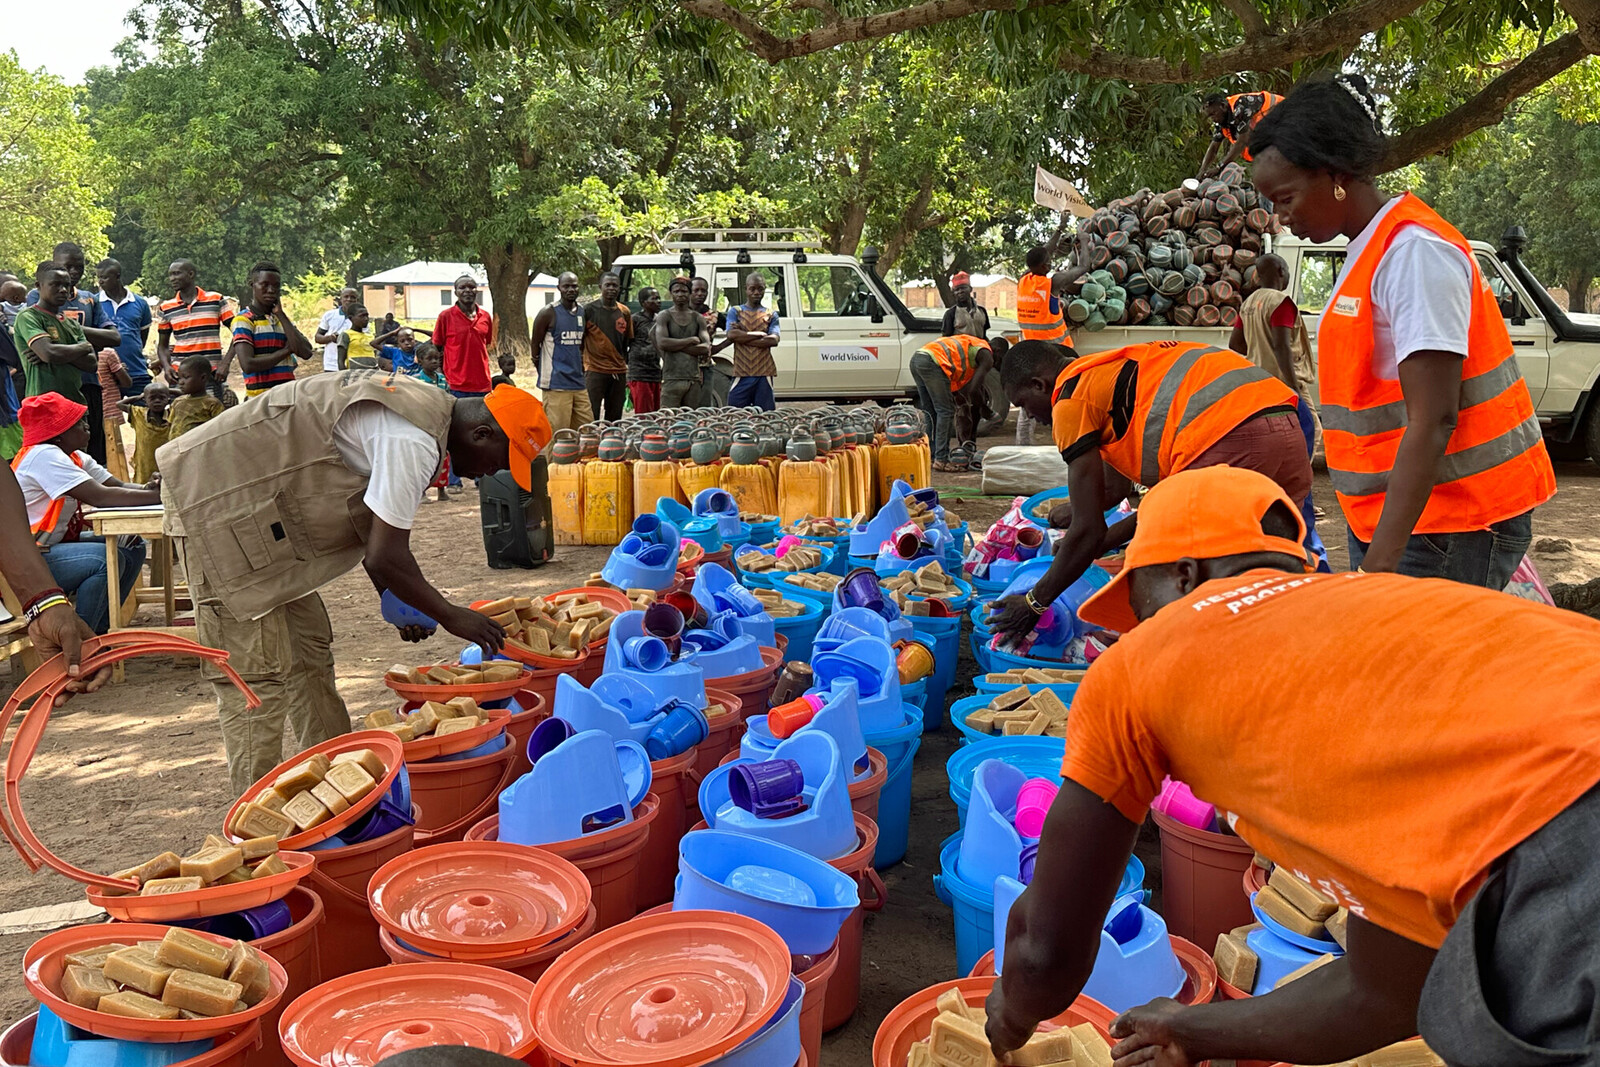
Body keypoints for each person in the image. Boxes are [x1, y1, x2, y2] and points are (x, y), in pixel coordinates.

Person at [985, 464, 1600, 1067]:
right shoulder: (1385, 632)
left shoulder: (1145, 657)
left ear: (1183, 575)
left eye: (1138, 603)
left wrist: (1009, 1015)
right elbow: (1382, 993)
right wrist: (1192, 1031)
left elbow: (1046, 954)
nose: (1136, 630)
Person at [156, 369, 552, 793]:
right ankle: (255, 833)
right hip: (214, 509)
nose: (486, 475)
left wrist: (398, 600)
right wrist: (453, 616)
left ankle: (338, 790)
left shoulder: (425, 412)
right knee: (257, 679)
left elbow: (375, 533)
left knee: (309, 654)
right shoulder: (413, 440)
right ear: (481, 434)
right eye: (498, 462)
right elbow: (386, 555)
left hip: (263, 521)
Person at [1251, 73, 1555, 586]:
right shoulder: (1367, 251)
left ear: (1335, 174)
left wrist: (1378, 567)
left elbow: (1434, 418)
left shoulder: (1413, 254)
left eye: (1285, 199)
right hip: (1406, 520)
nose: (1280, 219)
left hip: (1449, 524)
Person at [990, 338, 1310, 642]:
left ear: (1039, 385)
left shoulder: (1069, 400)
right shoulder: (1104, 374)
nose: (1029, 416)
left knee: (1205, 571)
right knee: (1275, 560)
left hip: (1229, 431)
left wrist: (1034, 602)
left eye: (1024, 405)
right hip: (1283, 420)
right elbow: (1117, 491)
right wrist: (1092, 531)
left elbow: (1090, 530)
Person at [10, 393, 159, 634]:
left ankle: (102, 628)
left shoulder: (74, 457)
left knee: (131, 544)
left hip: (51, 546)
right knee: (103, 560)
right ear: (59, 433)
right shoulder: (43, 456)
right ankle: (84, 638)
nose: (87, 426)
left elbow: (117, 487)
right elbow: (100, 497)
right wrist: (159, 496)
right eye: (79, 422)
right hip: (28, 560)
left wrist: (149, 489)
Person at [16, 262, 122, 413]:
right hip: (43, 404)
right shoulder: (28, 317)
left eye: (66, 285)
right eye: (56, 284)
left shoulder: (71, 324)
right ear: (39, 286)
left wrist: (57, 350)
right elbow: (49, 353)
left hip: (75, 404)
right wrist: (83, 347)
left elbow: (91, 363)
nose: (63, 290)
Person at [911, 334, 1001, 470]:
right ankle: (941, 459)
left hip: (917, 359)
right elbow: (973, 389)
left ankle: (931, 456)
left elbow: (959, 383)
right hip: (933, 362)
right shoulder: (986, 355)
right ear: (998, 351)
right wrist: (986, 411)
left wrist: (959, 396)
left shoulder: (972, 343)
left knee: (931, 413)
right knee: (945, 411)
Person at [155, 260, 235, 406]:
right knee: (182, 418)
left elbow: (240, 333)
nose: (172, 278)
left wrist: (225, 363)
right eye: (170, 275)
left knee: (212, 419)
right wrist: (167, 367)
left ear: (191, 274)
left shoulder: (216, 300)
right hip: (180, 376)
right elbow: (162, 346)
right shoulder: (166, 307)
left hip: (211, 374)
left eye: (177, 273)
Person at [229, 262, 313, 397]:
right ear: (252, 285)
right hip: (260, 400)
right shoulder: (244, 320)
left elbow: (307, 352)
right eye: (265, 284)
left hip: (288, 396)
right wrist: (286, 351)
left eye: (276, 286)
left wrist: (281, 315)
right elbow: (248, 365)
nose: (271, 290)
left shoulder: (282, 320)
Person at [531, 272, 591, 431]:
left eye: (574, 286)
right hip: (556, 384)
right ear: (559, 288)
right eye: (566, 286)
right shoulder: (548, 312)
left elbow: (581, 344)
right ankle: (554, 458)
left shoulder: (582, 312)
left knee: (586, 431)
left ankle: (580, 458)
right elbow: (535, 345)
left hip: (578, 382)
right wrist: (545, 372)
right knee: (558, 434)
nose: (571, 289)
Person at [94, 258, 154, 397]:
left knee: (143, 412)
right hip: (105, 375)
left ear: (118, 276)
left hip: (136, 371)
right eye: (99, 278)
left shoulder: (140, 303)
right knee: (107, 417)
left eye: (105, 277)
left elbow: (142, 337)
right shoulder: (94, 302)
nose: (101, 281)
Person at [1198, 89, 1285, 178]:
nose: (1212, 118)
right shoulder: (1222, 120)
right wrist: (1202, 170)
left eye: (1213, 114)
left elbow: (1243, 141)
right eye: (1209, 116)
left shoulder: (1241, 106)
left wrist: (1219, 167)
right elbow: (1214, 147)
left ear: (1223, 106)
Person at [724, 273, 780, 411]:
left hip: (764, 371)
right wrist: (759, 334)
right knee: (735, 413)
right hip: (742, 371)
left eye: (760, 289)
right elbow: (731, 335)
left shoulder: (771, 314)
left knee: (765, 416)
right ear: (746, 289)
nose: (756, 292)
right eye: (752, 289)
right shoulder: (736, 311)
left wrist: (743, 335)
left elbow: (773, 340)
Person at [581, 271, 633, 421]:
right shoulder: (588, 310)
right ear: (600, 287)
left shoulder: (624, 312)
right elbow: (581, 340)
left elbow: (626, 341)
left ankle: (612, 443)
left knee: (615, 416)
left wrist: (623, 364)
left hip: (618, 371)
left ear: (620, 288)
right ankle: (592, 444)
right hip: (595, 370)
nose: (611, 288)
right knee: (592, 414)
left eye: (615, 285)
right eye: (608, 285)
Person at [432, 275, 494, 397]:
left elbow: (486, 345)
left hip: (482, 384)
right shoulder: (445, 316)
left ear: (477, 291)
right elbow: (437, 347)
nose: (467, 290)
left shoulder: (485, 316)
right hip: (455, 384)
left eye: (472, 287)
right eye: (462, 287)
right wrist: (441, 375)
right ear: (456, 292)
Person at [655, 276, 709, 409]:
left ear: (690, 293)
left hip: (693, 379)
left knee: (690, 420)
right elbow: (662, 342)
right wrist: (690, 340)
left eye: (684, 291)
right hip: (671, 378)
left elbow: (706, 347)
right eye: (676, 291)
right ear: (671, 294)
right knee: (668, 420)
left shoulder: (697, 318)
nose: (680, 294)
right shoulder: (664, 315)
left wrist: (675, 346)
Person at [118, 381, 173, 484]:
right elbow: (119, 404)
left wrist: (168, 391)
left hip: (166, 461)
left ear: (168, 400)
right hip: (145, 463)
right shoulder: (138, 414)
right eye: (152, 398)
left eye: (162, 398)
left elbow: (186, 395)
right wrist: (139, 397)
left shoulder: (172, 414)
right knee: (144, 488)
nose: (157, 401)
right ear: (145, 401)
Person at [693, 276, 732, 407]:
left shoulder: (713, 316)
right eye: (696, 290)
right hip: (683, 367)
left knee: (704, 404)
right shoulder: (680, 313)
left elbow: (734, 332)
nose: (700, 294)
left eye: (703, 291)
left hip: (706, 367)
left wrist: (717, 348)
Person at [96, 346, 133, 481]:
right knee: (113, 453)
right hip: (110, 411)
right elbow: (127, 382)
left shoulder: (77, 352)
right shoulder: (108, 353)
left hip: (93, 412)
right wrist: (121, 370)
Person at [168, 356, 226, 439]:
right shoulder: (178, 401)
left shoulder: (212, 404)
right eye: (179, 378)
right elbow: (170, 425)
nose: (181, 382)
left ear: (203, 378)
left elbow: (220, 429)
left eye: (186, 377)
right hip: (176, 448)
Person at [627, 286, 663, 414]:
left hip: (655, 372)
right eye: (653, 299)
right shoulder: (635, 320)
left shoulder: (661, 320)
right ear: (643, 303)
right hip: (639, 373)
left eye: (659, 298)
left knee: (656, 413)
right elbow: (626, 343)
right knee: (644, 414)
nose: (658, 301)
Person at [314, 287, 359, 373]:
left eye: (352, 297)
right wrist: (331, 338)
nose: (349, 300)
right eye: (346, 297)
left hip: (354, 364)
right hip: (332, 364)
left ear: (357, 300)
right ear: (341, 299)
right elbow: (317, 337)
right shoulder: (329, 315)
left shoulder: (361, 317)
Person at [942, 271, 991, 339]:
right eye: (957, 289)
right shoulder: (951, 314)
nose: (960, 291)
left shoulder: (982, 311)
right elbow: (946, 339)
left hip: (980, 348)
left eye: (963, 288)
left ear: (970, 289)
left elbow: (984, 335)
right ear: (954, 293)